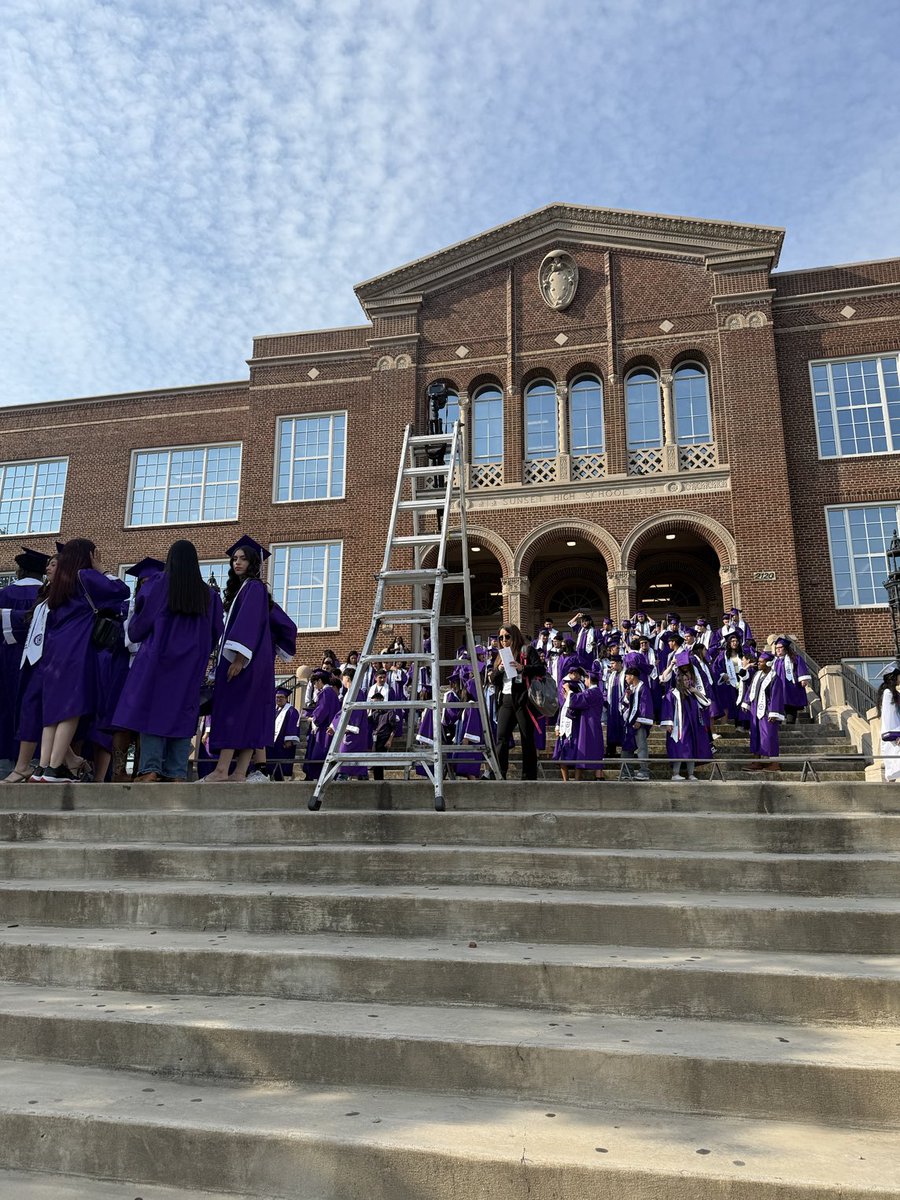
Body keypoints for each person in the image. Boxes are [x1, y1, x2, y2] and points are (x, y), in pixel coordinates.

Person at [112, 540, 223, 782]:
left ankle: (150, 769)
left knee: (153, 709)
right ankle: (176, 772)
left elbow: (141, 622)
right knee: (184, 712)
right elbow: (216, 631)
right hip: (190, 665)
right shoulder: (210, 595)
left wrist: (135, 632)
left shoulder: (158, 584)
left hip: (157, 660)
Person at [36, 538, 130, 782]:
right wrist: (102, 569)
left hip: (54, 649)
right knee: (71, 708)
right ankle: (56, 768)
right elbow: (121, 590)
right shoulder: (85, 576)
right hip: (77, 647)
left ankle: (44, 766)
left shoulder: (57, 583)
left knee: (52, 711)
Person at [205, 536, 297, 783]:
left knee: (234, 709)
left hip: (245, 662)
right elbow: (282, 625)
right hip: (256, 662)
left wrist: (238, 659)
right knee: (249, 713)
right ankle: (240, 772)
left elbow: (247, 624)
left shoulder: (254, 588)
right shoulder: (252, 590)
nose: (237, 563)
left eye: (243, 558)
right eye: (234, 559)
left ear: (253, 562)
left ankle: (222, 769)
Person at [0, 547, 49, 779]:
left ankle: (6, 760)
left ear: (19, 571)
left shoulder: (5, 593)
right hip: (39, 658)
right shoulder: (48, 593)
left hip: (6, 657)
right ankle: (37, 760)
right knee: (34, 706)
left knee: (6, 706)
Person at [489, 624, 545, 780]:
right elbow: (492, 679)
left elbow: (541, 669)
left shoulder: (526, 650)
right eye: (501, 638)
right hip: (505, 699)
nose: (504, 640)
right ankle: (500, 773)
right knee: (501, 737)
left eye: (507, 636)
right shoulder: (500, 655)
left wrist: (523, 668)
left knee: (526, 737)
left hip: (523, 699)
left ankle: (528, 776)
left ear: (515, 636)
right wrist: (498, 670)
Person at [660, 654, 712, 781]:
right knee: (679, 748)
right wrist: (669, 723)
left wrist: (696, 691)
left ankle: (691, 774)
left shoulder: (691, 693)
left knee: (691, 748)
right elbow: (667, 709)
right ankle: (675, 774)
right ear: (679, 680)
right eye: (685, 680)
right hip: (679, 726)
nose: (688, 681)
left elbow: (706, 703)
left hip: (692, 725)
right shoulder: (673, 694)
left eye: (689, 679)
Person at [742, 650, 785, 771]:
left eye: (761, 662)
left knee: (769, 736)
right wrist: (746, 702)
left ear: (769, 663)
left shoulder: (775, 678)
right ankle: (757, 761)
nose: (758, 664)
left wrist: (774, 712)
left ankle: (774, 763)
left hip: (768, 712)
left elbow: (776, 696)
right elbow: (751, 689)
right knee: (755, 735)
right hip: (755, 710)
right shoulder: (757, 675)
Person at [303, 670, 341, 780]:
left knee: (320, 754)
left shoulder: (325, 692)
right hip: (329, 727)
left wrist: (313, 718)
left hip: (325, 729)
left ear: (320, 680)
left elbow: (322, 710)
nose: (315, 686)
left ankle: (319, 778)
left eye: (315, 683)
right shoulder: (332, 693)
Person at [620, 658, 654, 780]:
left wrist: (640, 720)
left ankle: (644, 771)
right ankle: (626, 772)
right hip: (629, 723)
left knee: (641, 747)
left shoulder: (643, 687)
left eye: (626, 676)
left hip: (639, 723)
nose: (625, 679)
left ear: (632, 676)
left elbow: (645, 705)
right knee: (626, 747)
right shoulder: (630, 689)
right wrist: (627, 697)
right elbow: (624, 704)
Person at [772, 636, 812, 723]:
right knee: (779, 703)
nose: (778, 650)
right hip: (779, 686)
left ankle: (790, 722)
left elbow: (801, 668)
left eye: (780, 647)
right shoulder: (775, 661)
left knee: (790, 703)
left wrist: (803, 679)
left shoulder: (795, 658)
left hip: (791, 686)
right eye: (776, 648)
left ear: (785, 648)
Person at [266, 684, 302, 780]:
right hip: (274, 743)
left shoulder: (291, 711)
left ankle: (282, 780)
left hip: (284, 743)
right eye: (277, 697)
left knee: (282, 764)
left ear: (286, 698)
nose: (278, 699)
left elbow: (292, 726)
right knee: (272, 763)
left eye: (281, 697)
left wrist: (289, 740)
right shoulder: (274, 710)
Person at [877, 663, 900, 783]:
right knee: (893, 765)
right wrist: (898, 733)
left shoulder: (891, 693)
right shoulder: (888, 693)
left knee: (894, 765)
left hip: (895, 733)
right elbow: (889, 716)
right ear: (893, 677)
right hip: (894, 734)